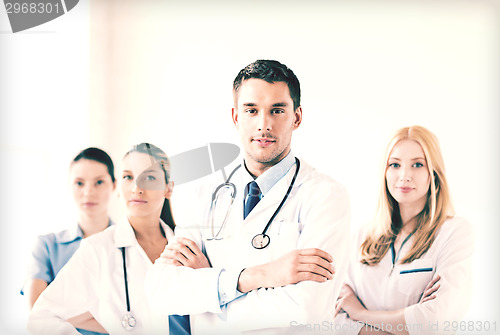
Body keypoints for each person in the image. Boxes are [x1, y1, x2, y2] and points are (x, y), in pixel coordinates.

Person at [145, 60, 351, 334]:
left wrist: (210, 299)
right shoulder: (204, 194)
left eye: (277, 110)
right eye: (251, 110)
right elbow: (161, 291)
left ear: (296, 117)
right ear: (236, 116)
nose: (263, 124)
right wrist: (260, 275)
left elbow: (306, 309)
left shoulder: (325, 196)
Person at [28, 143, 190, 335]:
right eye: (128, 177)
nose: (137, 187)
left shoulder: (188, 245)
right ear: (119, 187)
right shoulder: (97, 249)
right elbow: (40, 316)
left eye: (149, 177)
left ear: (168, 188)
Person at [334, 126, 474, 335]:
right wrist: (408, 323)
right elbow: (334, 318)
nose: (405, 175)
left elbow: (435, 321)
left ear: (433, 173)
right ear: (385, 172)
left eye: (417, 164)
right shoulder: (362, 235)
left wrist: (360, 313)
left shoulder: (454, 233)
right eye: (395, 165)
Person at [22, 147, 116, 334]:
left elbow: (146, 316)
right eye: (79, 183)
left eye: (99, 182)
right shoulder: (47, 246)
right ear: (69, 186)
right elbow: (37, 312)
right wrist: (117, 321)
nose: (88, 192)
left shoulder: (131, 244)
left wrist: (62, 313)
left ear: (114, 185)